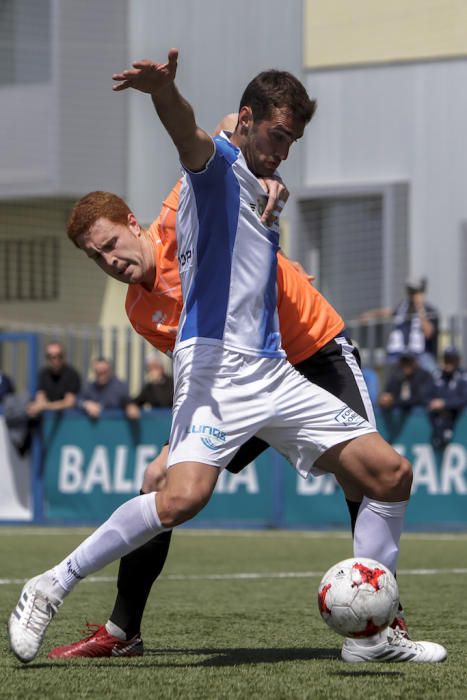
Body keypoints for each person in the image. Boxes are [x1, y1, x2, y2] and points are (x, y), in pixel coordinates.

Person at [8, 50, 446, 665]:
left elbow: (226, 143)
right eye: (277, 136)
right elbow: (191, 134)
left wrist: (265, 192)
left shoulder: (246, 171)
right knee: (177, 494)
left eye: (292, 141)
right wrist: (164, 92)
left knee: (388, 475)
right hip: (220, 369)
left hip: (289, 360)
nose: (285, 150)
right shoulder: (210, 171)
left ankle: (373, 637)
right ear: (245, 122)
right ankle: (53, 584)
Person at [27, 342, 81, 417]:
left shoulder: (71, 374)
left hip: (69, 420)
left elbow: (69, 402)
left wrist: (45, 406)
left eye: (59, 356)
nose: (55, 360)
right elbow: (40, 397)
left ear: (63, 356)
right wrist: (36, 407)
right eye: (50, 356)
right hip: (47, 420)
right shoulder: (43, 373)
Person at [428, 347, 467, 450]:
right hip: (437, 420)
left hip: (457, 419)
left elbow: (464, 399)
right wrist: (433, 403)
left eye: (451, 360)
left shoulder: (463, 376)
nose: (448, 363)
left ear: (458, 360)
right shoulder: (437, 375)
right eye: (446, 359)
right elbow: (426, 396)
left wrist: (445, 404)